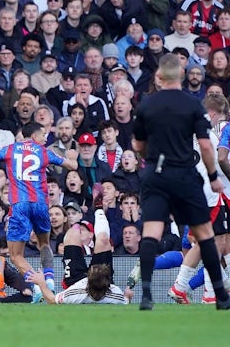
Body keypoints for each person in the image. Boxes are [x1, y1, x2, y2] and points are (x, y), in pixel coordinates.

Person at [132, 53, 230, 310]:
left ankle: (146, 295)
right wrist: (212, 177)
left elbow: (137, 144)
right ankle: (219, 296)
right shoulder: (192, 104)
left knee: (150, 233)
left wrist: (150, 160)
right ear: (183, 76)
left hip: (156, 173)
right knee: (206, 235)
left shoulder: (146, 105)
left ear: (160, 77)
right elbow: (207, 146)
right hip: (185, 175)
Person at [0, 121, 78, 303]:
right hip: (41, 204)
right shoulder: (45, 152)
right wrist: (72, 155)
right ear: (34, 136)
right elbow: (72, 166)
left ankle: (38, 287)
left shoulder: (9, 149)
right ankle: (49, 281)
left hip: (19, 205)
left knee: (15, 255)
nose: (45, 138)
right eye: (43, 135)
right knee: (44, 243)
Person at [27, 210, 133, 304]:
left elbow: (51, 300)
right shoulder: (116, 294)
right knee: (103, 240)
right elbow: (126, 299)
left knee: (73, 233)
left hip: (75, 282)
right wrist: (128, 296)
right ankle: (99, 210)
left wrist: (41, 282)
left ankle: (76, 224)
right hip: (100, 281)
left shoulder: (74, 293)